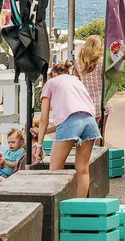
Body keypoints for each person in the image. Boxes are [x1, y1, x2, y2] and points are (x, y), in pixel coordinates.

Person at [34, 60, 101, 197]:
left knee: (55, 170)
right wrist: (44, 132)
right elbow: (70, 118)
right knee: (83, 169)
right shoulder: (76, 81)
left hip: (71, 123)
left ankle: (58, 210)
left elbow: (44, 119)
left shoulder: (50, 83)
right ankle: (78, 209)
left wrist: (39, 145)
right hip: (89, 121)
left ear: (53, 73)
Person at [75, 36, 106, 126]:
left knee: (87, 133)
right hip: (101, 100)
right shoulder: (102, 61)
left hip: (85, 101)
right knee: (100, 132)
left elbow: (78, 82)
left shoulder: (78, 62)